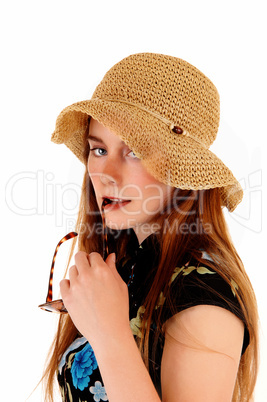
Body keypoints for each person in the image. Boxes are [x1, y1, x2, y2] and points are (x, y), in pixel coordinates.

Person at [41, 53, 259, 401]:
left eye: (135, 152)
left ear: (184, 171)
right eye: (98, 150)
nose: (107, 174)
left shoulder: (204, 298)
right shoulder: (127, 269)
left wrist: (110, 333)